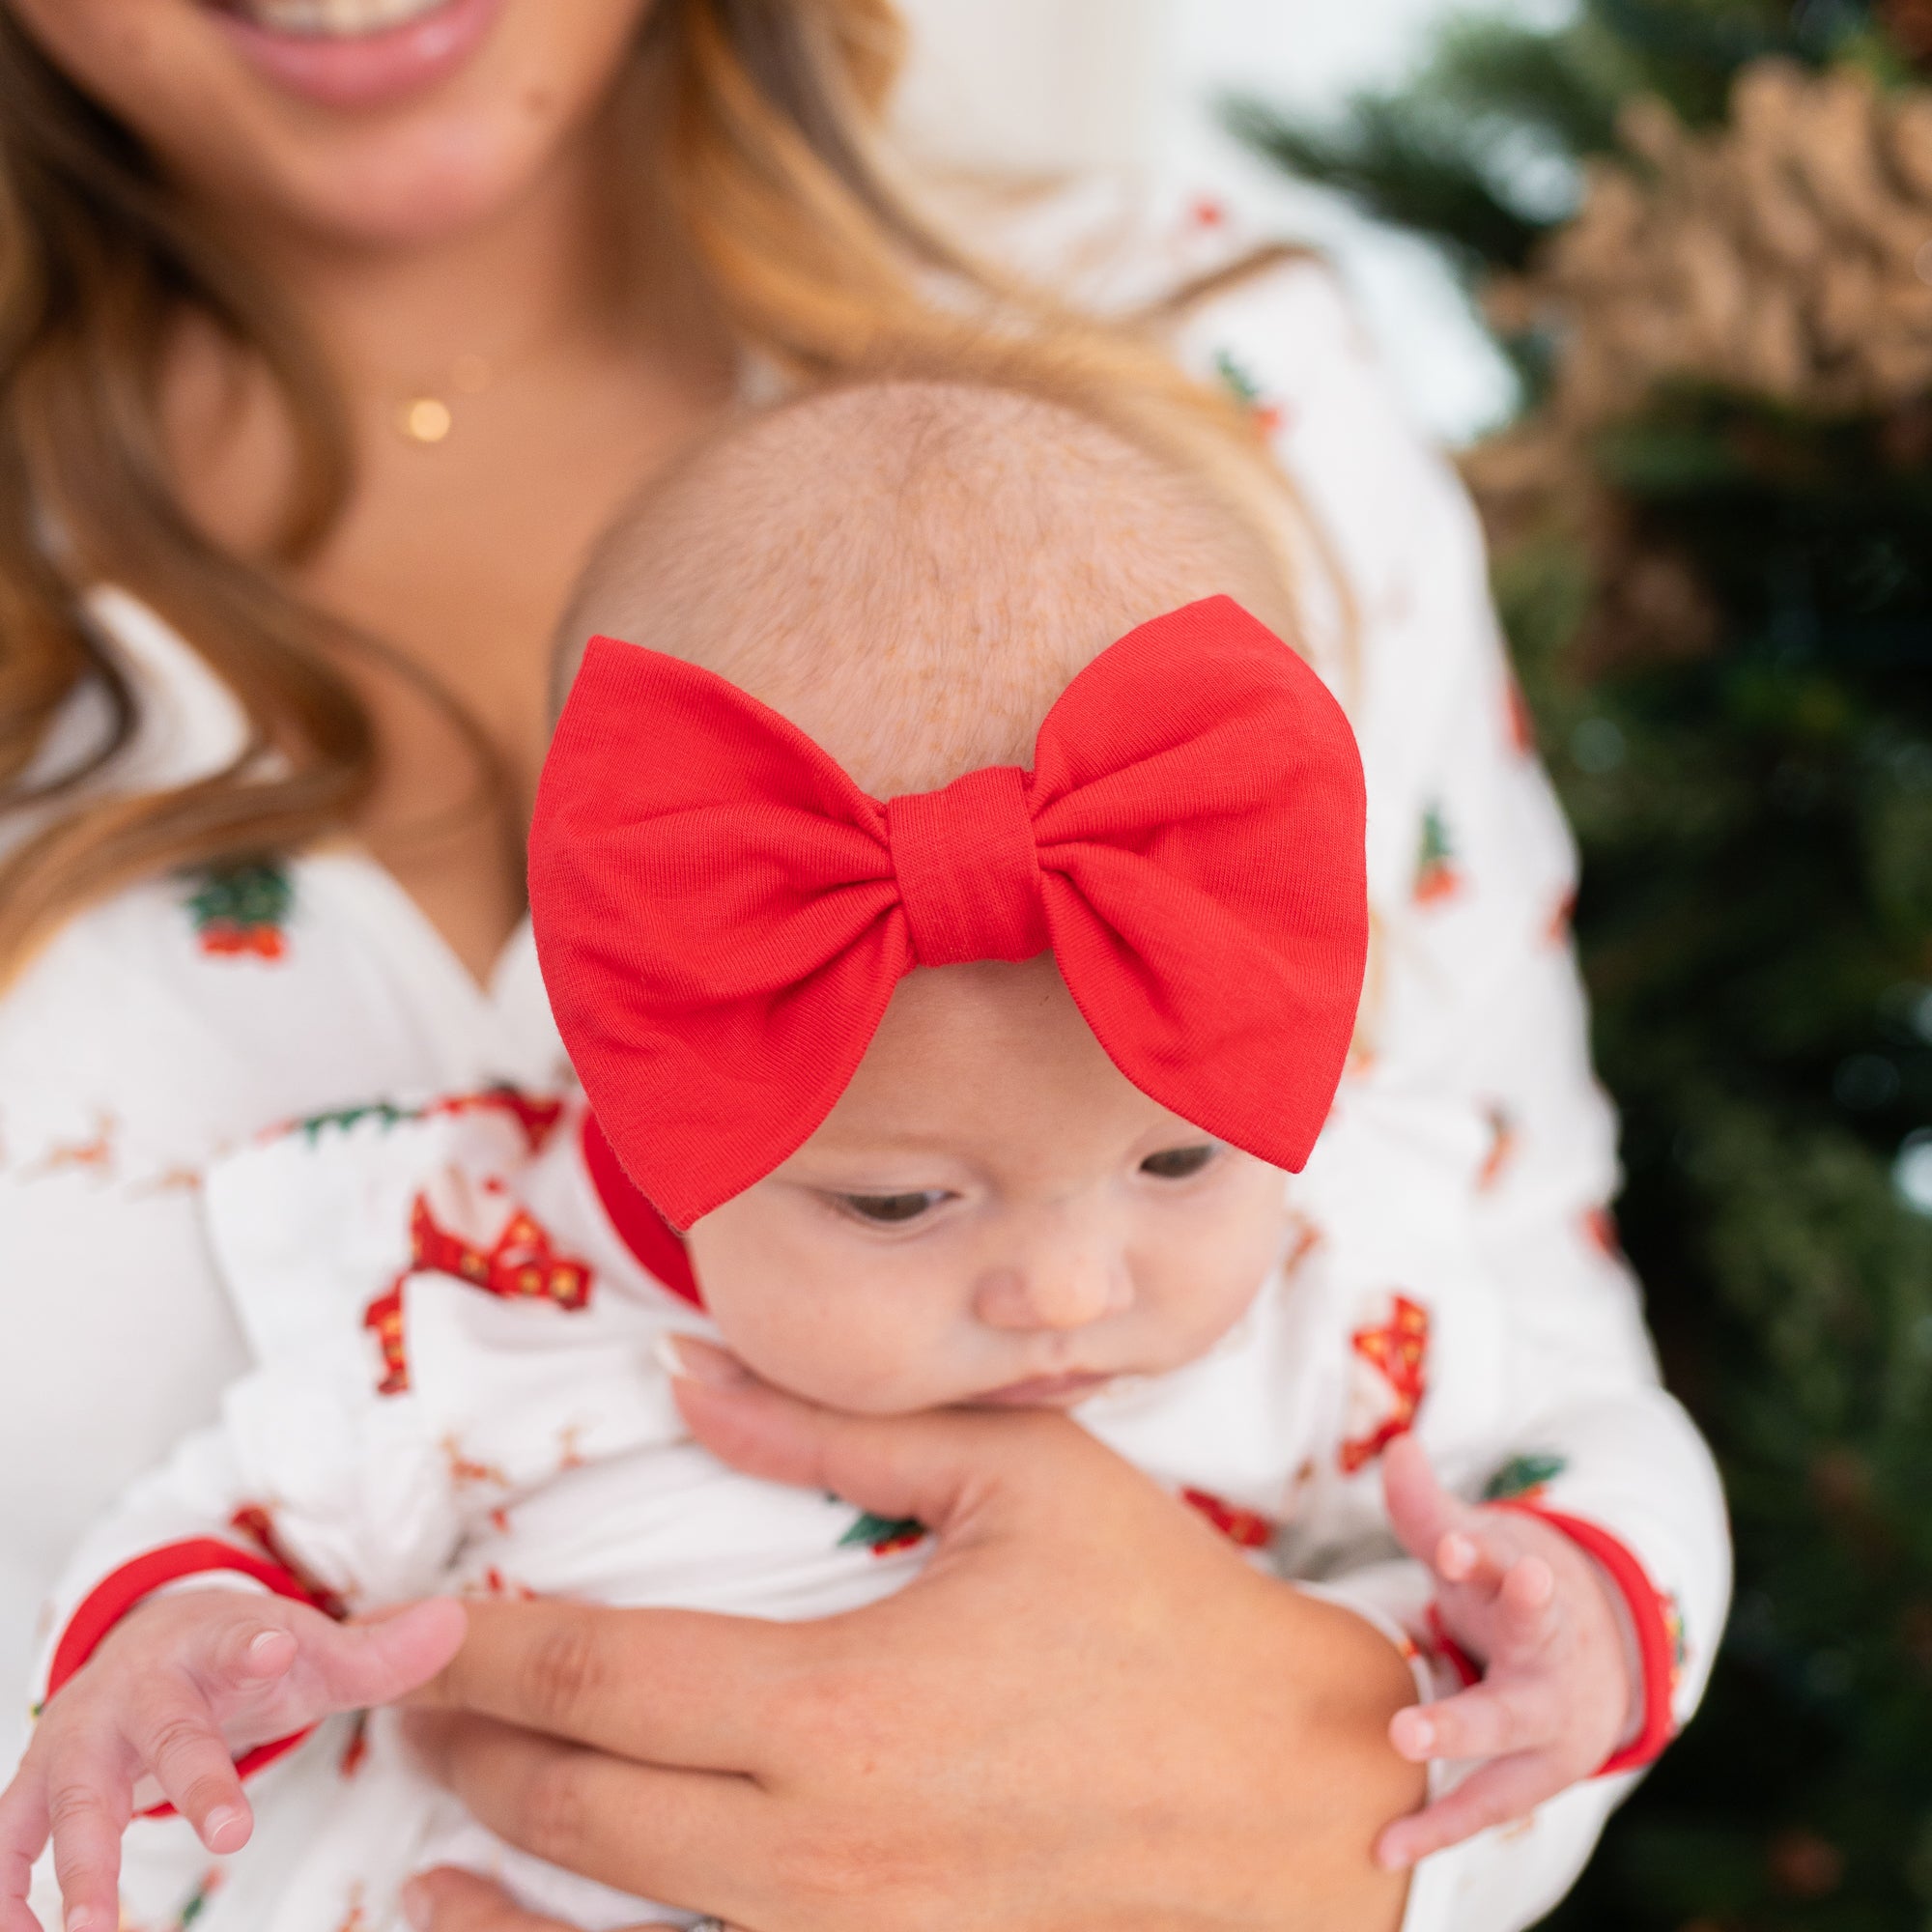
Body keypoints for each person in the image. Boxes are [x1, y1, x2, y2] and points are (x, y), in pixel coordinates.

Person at [0, 4, 1730, 1928]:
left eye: (1174, 1157)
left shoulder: (1316, 1280)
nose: (1073, 1283)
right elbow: (228, 1528)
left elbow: (1555, 1404)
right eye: (898, 1193)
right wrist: (163, 1665)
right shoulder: (473, 1285)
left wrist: (1535, 1661)